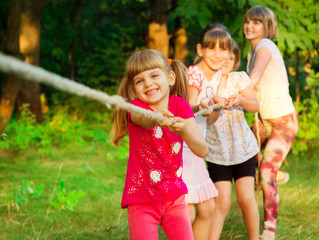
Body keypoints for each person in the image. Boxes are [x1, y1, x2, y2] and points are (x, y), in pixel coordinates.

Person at [110, 49, 209, 240]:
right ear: (133, 89)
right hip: (141, 199)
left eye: (154, 75)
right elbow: (144, 119)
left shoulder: (180, 105)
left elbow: (202, 150)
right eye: (140, 81)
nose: (148, 83)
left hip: (175, 198)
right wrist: (156, 118)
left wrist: (185, 131)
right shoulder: (137, 108)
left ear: (170, 78)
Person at [243, 6, 299, 240]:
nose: (249, 26)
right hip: (263, 121)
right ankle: (275, 172)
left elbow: (254, 77)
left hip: (283, 122)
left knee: (265, 172)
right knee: (244, 158)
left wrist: (236, 87)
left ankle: (269, 229)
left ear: (267, 27)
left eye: (256, 22)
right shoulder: (250, 53)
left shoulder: (265, 47)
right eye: (247, 22)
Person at [205, 39, 260, 240]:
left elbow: (255, 106)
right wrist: (217, 106)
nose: (227, 59)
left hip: (242, 149)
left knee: (246, 198)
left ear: (235, 58)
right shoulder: (208, 82)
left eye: (231, 55)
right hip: (218, 152)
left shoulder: (239, 78)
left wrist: (242, 100)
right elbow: (209, 120)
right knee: (222, 202)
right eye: (223, 54)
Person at [181, 24, 229, 240]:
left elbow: (210, 118)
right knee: (188, 211)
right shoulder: (195, 73)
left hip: (198, 146)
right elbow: (187, 108)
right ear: (200, 50)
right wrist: (205, 104)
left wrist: (216, 106)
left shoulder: (218, 77)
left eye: (223, 49)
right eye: (211, 49)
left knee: (207, 208)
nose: (218, 55)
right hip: (184, 145)